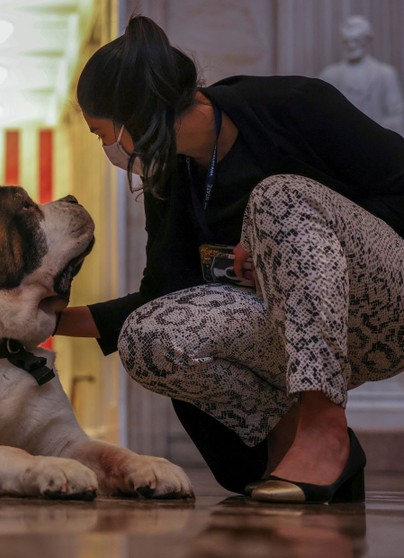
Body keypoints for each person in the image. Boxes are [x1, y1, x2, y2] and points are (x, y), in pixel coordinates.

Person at [56, 15, 404, 503]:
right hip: (296, 337)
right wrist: (41, 320)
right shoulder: (171, 176)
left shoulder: (293, 106)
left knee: (278, 199)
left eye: (101, 133)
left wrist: (286, 237)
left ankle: (326, 428)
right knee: (148, 337)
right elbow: (165, 293)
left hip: (384, 303)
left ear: (133, 113)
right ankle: (294, 440)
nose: (107, 149)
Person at [319, 15, 404, 135]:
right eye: (346, 41)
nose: (351, 45)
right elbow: (320, 113)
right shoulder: (330, 75)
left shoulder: (385, 74)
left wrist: (374, 131)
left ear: (367, 40)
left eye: (356, 40)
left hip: (377, 143)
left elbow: (397, 114)